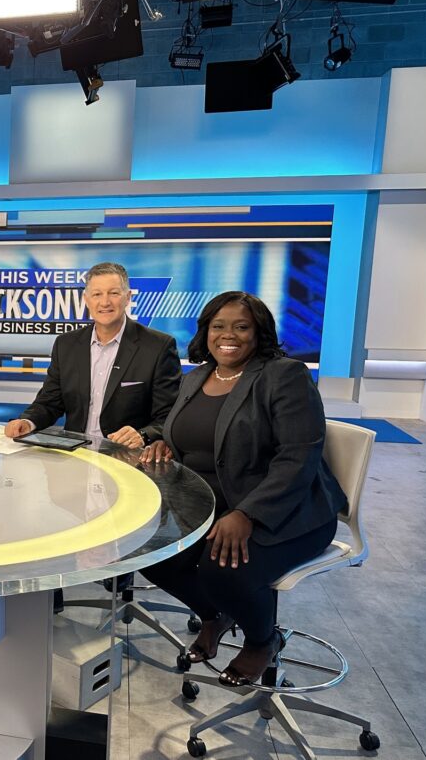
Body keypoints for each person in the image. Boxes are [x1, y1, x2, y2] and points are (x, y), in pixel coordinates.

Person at [139, 291, 346, 687]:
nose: (228, 335)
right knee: (148, 551)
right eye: (218, 326)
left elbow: (297, 457)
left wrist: (248, 514)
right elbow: (192, 435)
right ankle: (216, 615)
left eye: (241, 326)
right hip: (211, 506)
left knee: (222, 570)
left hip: (287, 511)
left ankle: (262, 640)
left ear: (258, 332)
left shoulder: (284, 375)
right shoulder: (197, 376)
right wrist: (168, 443)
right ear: (206, 332)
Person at [5, 262, 181, 448]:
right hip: (75, 456)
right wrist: (26, 422)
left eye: (113, 293)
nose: (105, 302)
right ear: (86, 299)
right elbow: (49, 402)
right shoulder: (66, 345)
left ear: (127, 297)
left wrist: (143, 434)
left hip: (126, 458)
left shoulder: (158, 346)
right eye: (97, 294)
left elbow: (169, 416)